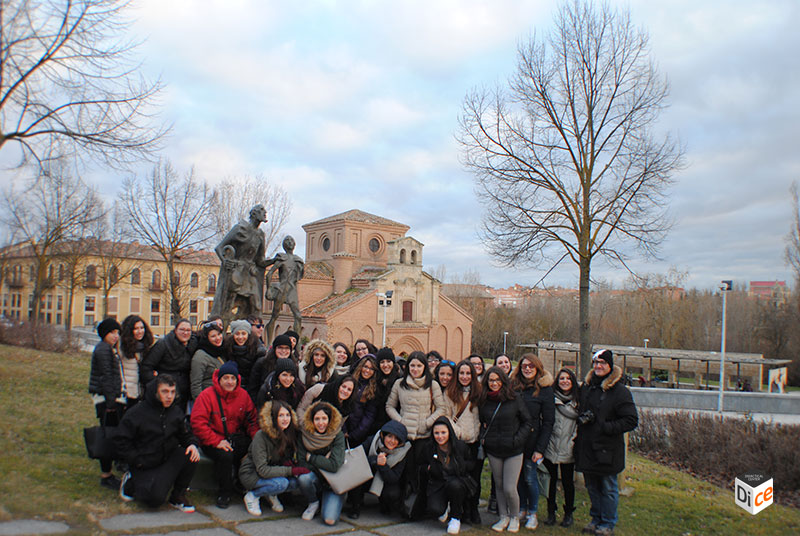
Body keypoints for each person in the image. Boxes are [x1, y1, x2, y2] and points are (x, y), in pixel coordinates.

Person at [115, 375, 200, 512]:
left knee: (191, 453)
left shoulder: (175, 412)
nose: (169, 396)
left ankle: (178, 496)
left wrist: (192, 443)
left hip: (166, 458)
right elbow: (121, 441)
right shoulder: (136, 413)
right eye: (165, 391)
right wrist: (136, 460)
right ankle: (130, 482)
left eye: (172, 392)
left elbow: (185, 434)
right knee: (154, 501)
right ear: (155, 392)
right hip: (143, 463)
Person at [576, 349, 638, 536]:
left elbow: (631, 420)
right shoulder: (587, 388)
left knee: (608, 488)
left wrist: (605, 426)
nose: (598, 366)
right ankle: (596, 519)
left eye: (602, 363)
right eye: (595, 363)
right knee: (592, 487)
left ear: (610, 366)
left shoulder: (620, 391)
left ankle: (608, 523)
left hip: (608, 449)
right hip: (587, 446)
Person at [190, 361, 259, 508]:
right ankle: (224, 492)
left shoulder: (243, 395)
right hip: (213, 439)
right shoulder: (206, 396)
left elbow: (251, 420)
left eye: (233, 378)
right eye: (226, 378)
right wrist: (216, 441)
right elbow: (198, 423)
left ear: (237, 379)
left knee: (253, 449)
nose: (229, 382)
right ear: (219, 379)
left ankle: (243, 484)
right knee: (225, 455)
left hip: (235, 437)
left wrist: (256, 439)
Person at [479, 366, 532, 533]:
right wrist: (484, 439)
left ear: (503, 381)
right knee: (499, 485)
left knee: (510, 487)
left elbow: (527, 422)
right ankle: (503, 517)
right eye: (491, 380)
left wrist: (517, 440)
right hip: (494, 449)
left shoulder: (514, 399)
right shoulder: (484, 400)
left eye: (497, 380)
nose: (494, 383)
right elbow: (481, 422)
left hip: (513, 450)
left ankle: (514, 517)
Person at [240, 400, 308, 515]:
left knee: (297, 481)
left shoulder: (288, 434)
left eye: (287, 415)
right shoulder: (261, 436)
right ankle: (252, 495)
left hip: (272, 471)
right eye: (280, 415)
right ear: (272, 417)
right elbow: (262, 470)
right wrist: (290, 470)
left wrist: (292, 465)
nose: (285, 419)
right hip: (252, 474)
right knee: (281, 484)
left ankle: (270, 493)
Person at [511, 354, 555, 529]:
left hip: (533, 441)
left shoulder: (545, 390)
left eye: (531, 366)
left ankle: (533, 512)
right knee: (518, 477)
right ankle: (521, 507)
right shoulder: (514, 387)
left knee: (530, 478)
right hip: (515, 440)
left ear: (537, 368)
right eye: (524, 366)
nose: (527, 369)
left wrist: (540, 448)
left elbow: (549, 421)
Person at [210, 204, 271, 327]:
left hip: (250, 274)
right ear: (254, 214)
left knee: (257, 306)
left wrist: (275, 260)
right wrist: (225, 260)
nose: (265, 213)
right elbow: (219, 248)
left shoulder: (260, 235)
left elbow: (260, 261)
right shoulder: (240, 228)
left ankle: (254, 336)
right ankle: (221, 331)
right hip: (236, 272)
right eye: (261, 211)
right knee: (228, 306)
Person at [442, 360, 483, 525]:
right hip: (458, 442)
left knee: (475, 478)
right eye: (461, 373)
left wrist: (477, 433)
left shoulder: (479, 392)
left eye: (468, 373)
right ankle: (462, 510)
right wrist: (459, 433)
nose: (465, 377)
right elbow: (446, 416)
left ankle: (474, 509)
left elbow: (482, 416)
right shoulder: (450, 393)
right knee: (460, 477)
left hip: (475, 442)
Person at [421, 417, 476, 535]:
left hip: (457, 481)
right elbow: (421, 465)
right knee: (434, 510)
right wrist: (428, 468)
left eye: (443, 432)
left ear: (449, 432)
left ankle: (455, 518)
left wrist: (460, 466)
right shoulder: (429, 448)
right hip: (437, 483)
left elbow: (471, 464)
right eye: (436, 433)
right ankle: (444, 507)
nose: (440, 436)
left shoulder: (460, 446)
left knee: (455, 486)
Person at [88, 317, 125, 490]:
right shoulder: (103, 350)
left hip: (108, 398)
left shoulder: (108, 349)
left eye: (117, 333)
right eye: (112, 333)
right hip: (106, 400)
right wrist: (111, 403)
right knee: (107, 436)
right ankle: (106, 475)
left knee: (110, 434)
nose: (115, 336)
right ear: (104, 333)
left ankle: (108, 473)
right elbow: (106, 377)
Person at [297, 402, 346, 525]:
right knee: (303, 478)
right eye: (317, 419)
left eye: (324, 418)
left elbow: (334, 466)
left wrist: (312, 457)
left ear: (330, 420)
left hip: (333, 483)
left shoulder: (337, 435)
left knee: (329, 520)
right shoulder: (305, 434)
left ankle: (330, 501)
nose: (321, 423)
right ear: (311, 420)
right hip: (315, 479)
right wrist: (325, 461)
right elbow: (302, 463)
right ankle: (313, 502)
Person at [542, 368, 579, 527]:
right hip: (551, 445)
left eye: (568, 378)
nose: (565, 381)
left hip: (568, 446)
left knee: (567, 482)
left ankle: (568, 513)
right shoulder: (551, 399)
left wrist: (573, 442)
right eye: (562, 378)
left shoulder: (578, 402)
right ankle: (551, 511)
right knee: (550, 480)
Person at [141, 319, 195, 409]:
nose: (185, 333)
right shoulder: (163, 344)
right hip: (164, 393)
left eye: (188, 330)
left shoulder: (192, 345)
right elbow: (146, 367)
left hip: (183, 393)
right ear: (175, 330)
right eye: (182, 330)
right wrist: (155, 386)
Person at [362, 420, 412, 515]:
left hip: (388, 480)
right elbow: (359, 459)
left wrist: (383, 465)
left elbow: (394, 478)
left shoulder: (403, 452)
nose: (392, 441)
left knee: (392, 494)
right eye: (389, 436)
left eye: (396, 439)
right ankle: (355, 506)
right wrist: (375, 460)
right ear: (383, 435)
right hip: (368, 476)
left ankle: (386, 504)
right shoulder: (372, 441)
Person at [264, 235, 304, 341]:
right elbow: (269, 274)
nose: (290, 242)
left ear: (295, 244)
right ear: (284, 245)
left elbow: (300, 276)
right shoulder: (281, 258)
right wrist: (268, 289)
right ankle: (268, 343)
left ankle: (297, 343)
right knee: (274, 316)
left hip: (292, 290)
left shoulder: (298, 260)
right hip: (282, 289)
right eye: (287, 241)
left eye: (292, 240)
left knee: (298, 317)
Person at [118, 315, 154, 408]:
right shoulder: (121, 347)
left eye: (142, 328)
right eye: (136, 329)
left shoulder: (144, 347)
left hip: (140, 392)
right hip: (126, 393)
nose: (140, 331)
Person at [248, 334, 294, 403]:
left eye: (287, 348)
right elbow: (253, 388)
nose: (283, 351)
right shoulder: (262, 363)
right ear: (275, 349)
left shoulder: (293, 365)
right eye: (280, 348)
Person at [190, 321, 227, 400]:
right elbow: (195, 385)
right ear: (207, 338)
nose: (218, 338)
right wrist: (201, 404)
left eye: (219, 334)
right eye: (213, 336)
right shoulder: (200, 356)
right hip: (208, 399)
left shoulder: (222, 351)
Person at [225, 319, 265, 390]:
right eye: (237, 334)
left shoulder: (258, 351)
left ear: (248, 334)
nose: (240, 337)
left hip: (252, 388)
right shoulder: (227, 348)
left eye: (243, 333)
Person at [370, 347, 400, 437]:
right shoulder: (374, 381)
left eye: (388, 361)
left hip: (394, 427)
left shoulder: (399, 381)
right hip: (375, 428)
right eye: (382, 362)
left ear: (393, 363)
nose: (385, 365)